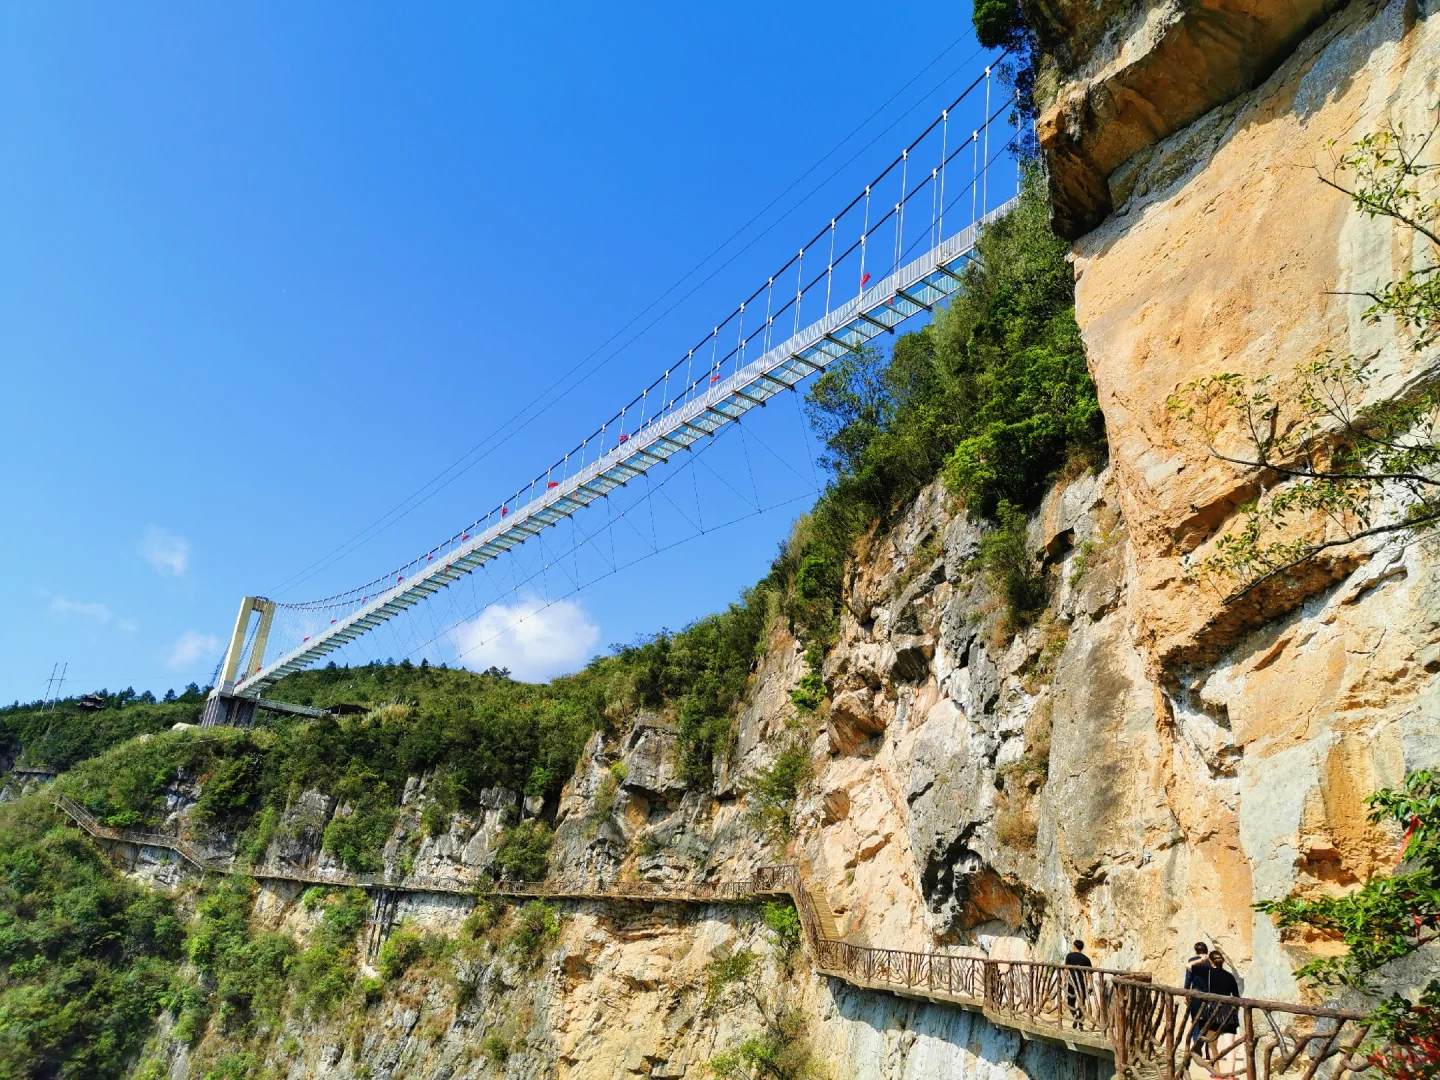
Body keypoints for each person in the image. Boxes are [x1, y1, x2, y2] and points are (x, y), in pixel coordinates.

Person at [1195, 950, 1241, 1075]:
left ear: (1211, 961)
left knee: (1212, 1045)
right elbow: (1236, 996)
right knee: (1229, 1046)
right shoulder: (1230, 976)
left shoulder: (1207, 973)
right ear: (1223, 961)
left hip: (1211, 1011)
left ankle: (1216, 1073)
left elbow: (1188, 966)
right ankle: (1231, 1075)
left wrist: (1201, 960)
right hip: (1227, 1011)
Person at [1184, 943, 1211, 1056]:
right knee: (1208, 1021)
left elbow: (1188, 979)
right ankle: (1208, 1052)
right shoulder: (1210, 962)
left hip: (1195, 993)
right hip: (1209, 995)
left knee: (1195, 1020)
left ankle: (1196, 1043)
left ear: (1196, 951)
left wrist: (1186, 993)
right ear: (1206, 951)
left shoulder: (1192, 961)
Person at [1064, 939, 1093, 1028]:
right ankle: (1080, 1023)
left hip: (1072, 982)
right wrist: (1090, 985)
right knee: (1081, 1003)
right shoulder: (1086, 959)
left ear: (1074, 946)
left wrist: (1065, 980)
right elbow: (1090, 973)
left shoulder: (1069, 956)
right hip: (1081, 983)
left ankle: (1074, 1016)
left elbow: (1066, 970)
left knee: (1070, 1001)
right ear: (1082, 948)